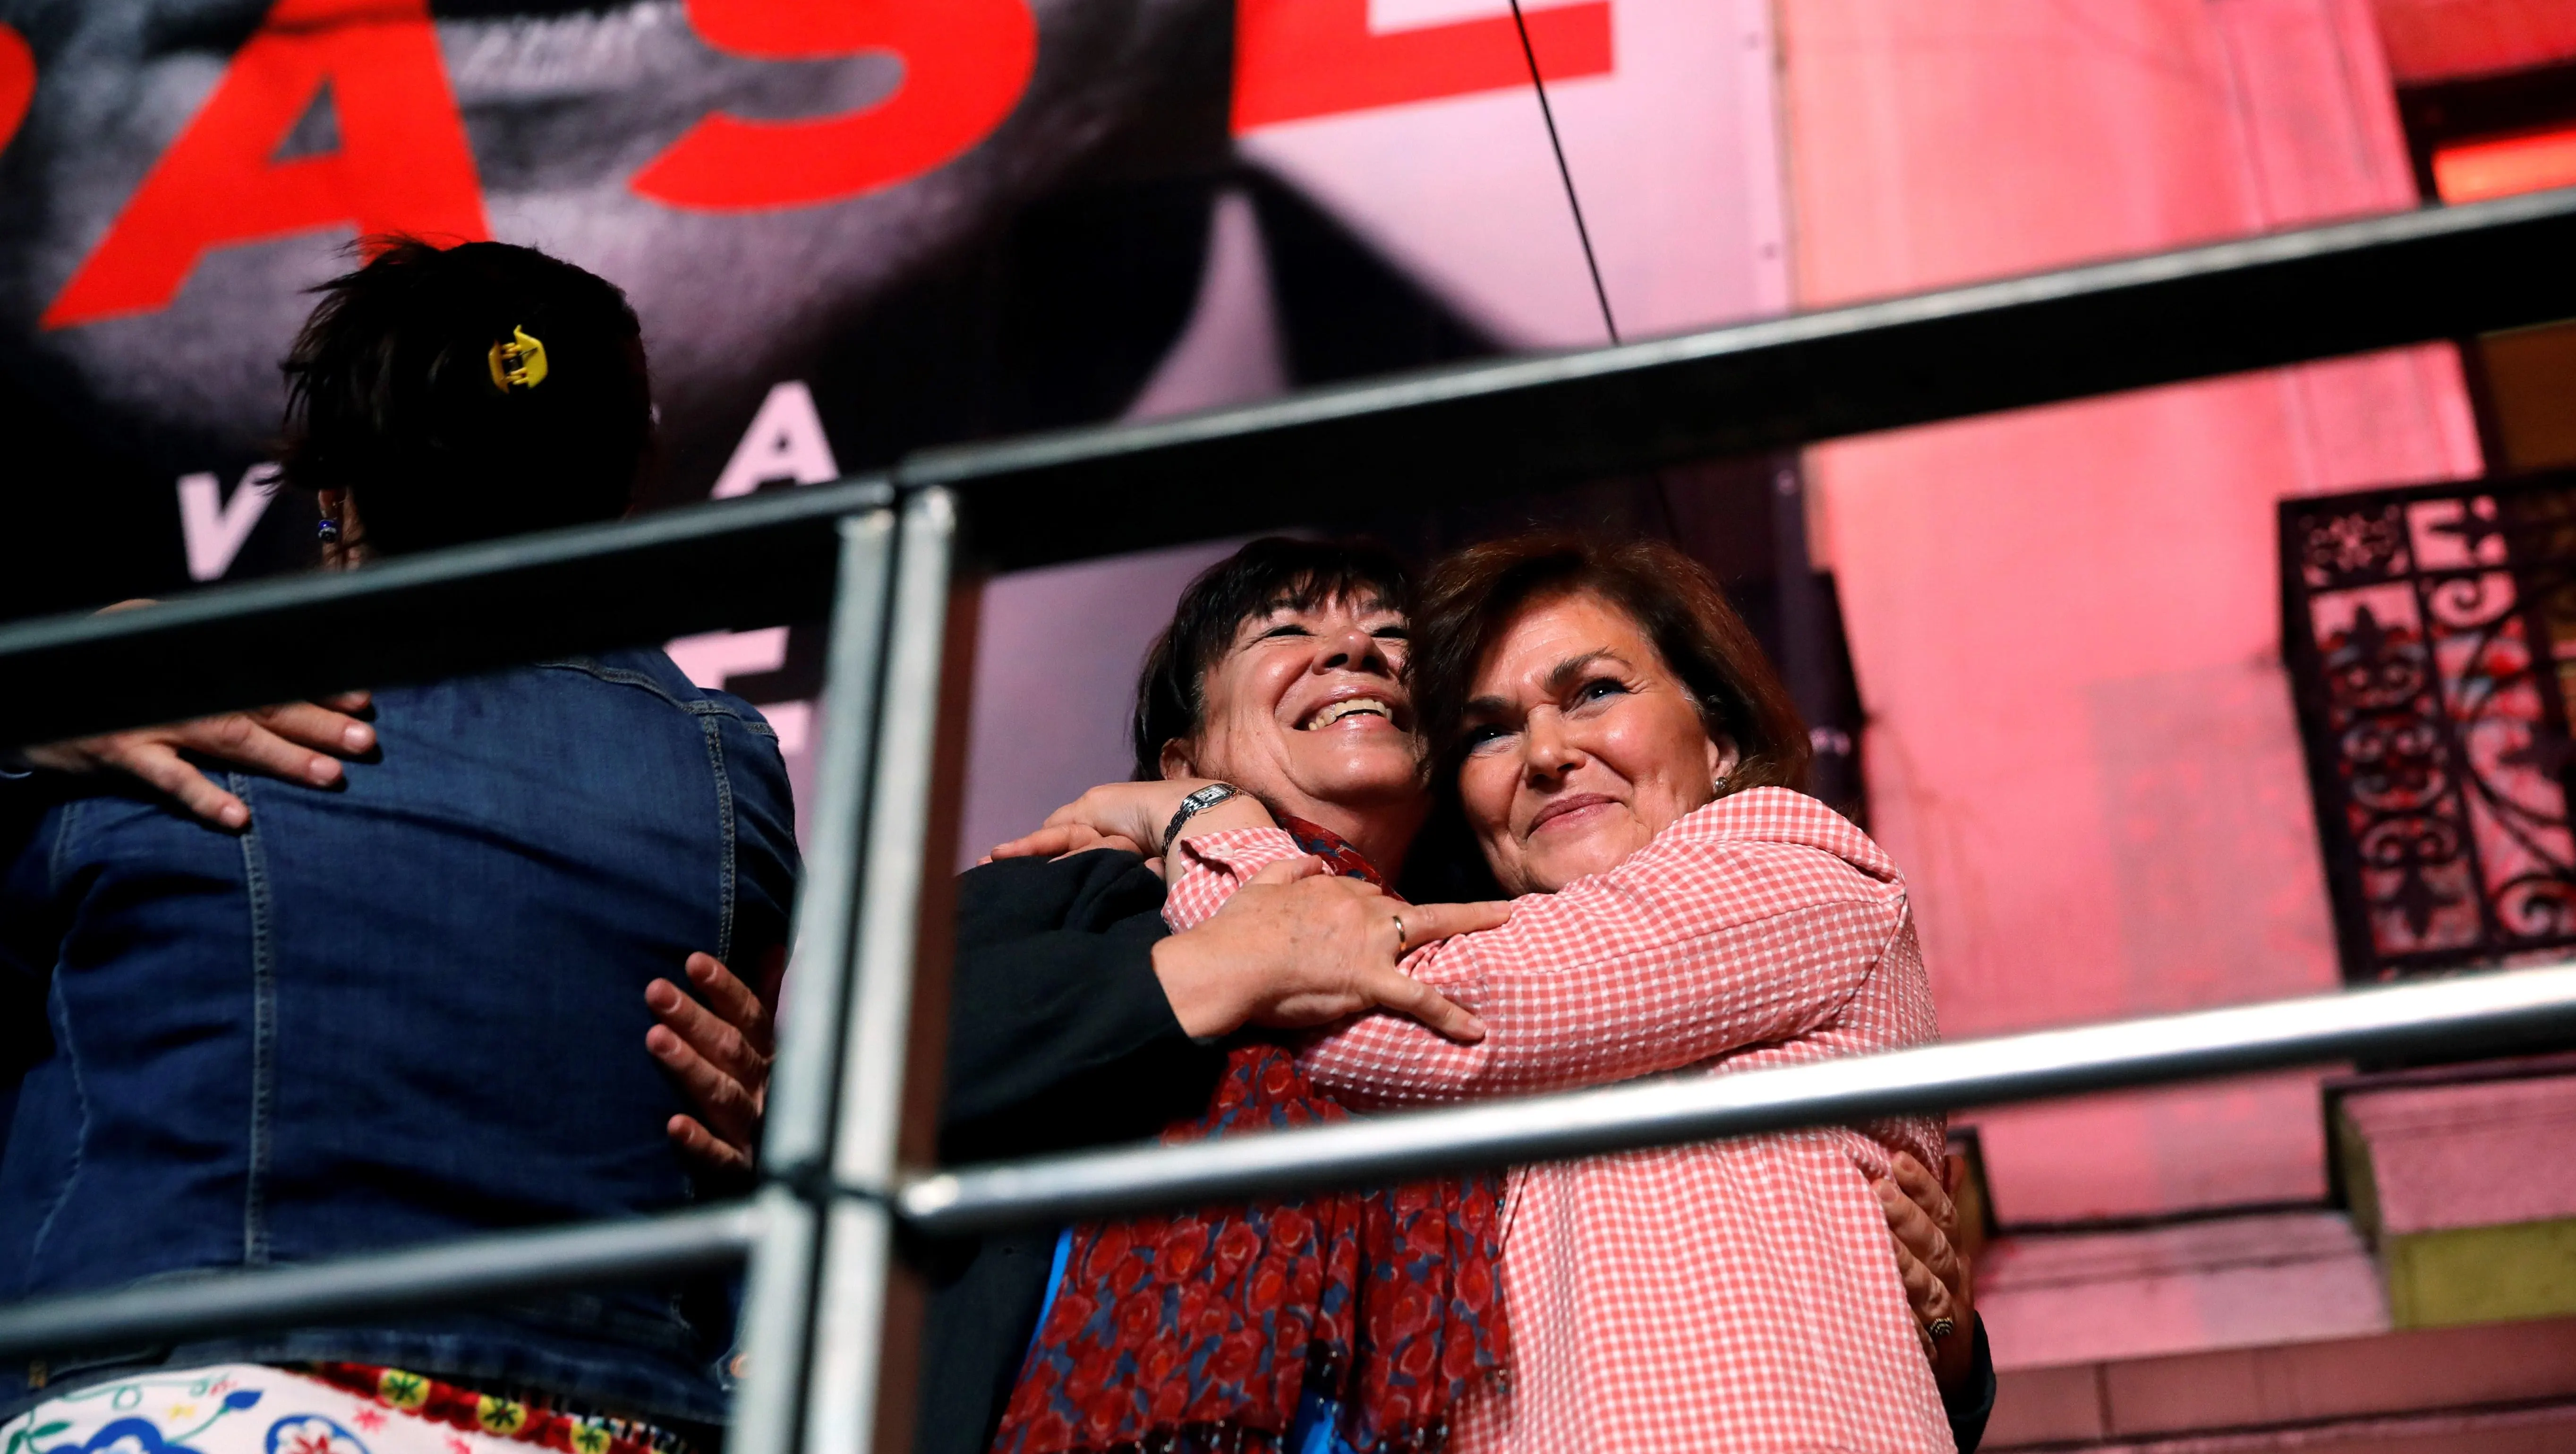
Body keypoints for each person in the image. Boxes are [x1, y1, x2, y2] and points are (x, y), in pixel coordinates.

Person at [673, 537, 1992, 1452]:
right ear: (1186, 748)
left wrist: (1939, 1329)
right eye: (1289, 630)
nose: (1352, 652)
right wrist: (1209, 955)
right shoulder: (1073, 894)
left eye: (1390, 644)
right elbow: (835, 1087)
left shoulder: (1535, 948)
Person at [0, 239, 797, 1454]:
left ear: (336, 490)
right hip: (612, 1416)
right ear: (627, 480)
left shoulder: (144, 704)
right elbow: (728, 1109)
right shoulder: (724, 762)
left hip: (191, 1394)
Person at [1126, 534, 1961, 1451]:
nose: (1548, 753)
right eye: (1489, 730)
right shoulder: (1527, 963)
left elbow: (1372, 1015)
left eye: (1595, 692)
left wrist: (1206, 820)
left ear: (1717, 738)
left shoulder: (1792, 861)